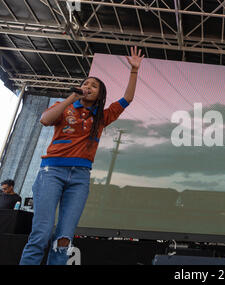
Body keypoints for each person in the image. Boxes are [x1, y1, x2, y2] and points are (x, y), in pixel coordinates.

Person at [19, 46, 144, 265]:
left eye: (94, 86)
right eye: (86, 83)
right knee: (41, 233)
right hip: (52, 172)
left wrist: (134, 71)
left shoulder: (103, 116)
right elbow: (46, 120)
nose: (88, 86)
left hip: (80, 177)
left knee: (64, 238)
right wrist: (71, 98)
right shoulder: (65, 107)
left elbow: (128, 98)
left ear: (100, 94)